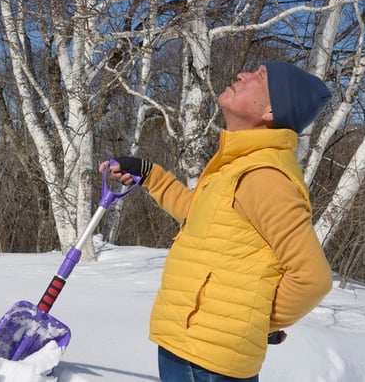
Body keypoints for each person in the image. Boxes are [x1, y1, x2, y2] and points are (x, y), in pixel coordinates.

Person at [102, 61, 333, 381]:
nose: (242, 74)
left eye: (260, 77)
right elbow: (197, 216)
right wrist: (150, 174)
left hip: (206, 360)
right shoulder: (237, 167)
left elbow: (312, 278)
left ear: (270, 111)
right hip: (190, 349)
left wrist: (254, 321)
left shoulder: (264, 177)